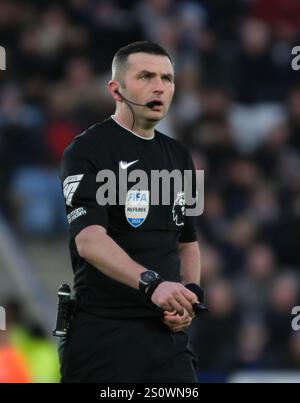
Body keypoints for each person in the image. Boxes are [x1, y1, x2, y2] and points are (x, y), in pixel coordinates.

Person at [59, 41, 202, 382]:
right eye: (146, 76)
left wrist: (191, 295)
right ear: (116, 89)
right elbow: (90, 241)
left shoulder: (179, 156)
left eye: (167, 79)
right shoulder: (86, 150)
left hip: (167, 342)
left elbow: (188, 241)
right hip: (104, 337)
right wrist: (153, 285)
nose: (159, 87)